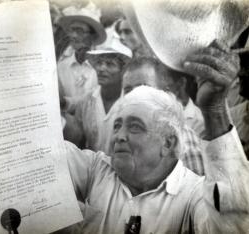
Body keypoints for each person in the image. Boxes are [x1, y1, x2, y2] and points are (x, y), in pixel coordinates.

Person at [59, 40, 249, 234]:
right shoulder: (96, 169)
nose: (119, 136)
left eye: (135, 127)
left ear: (168, 142)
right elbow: (46, 153)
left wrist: (214, 110)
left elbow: (233, 225)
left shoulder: (193, 196)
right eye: (117, 125)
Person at [65, 33, 132, 151]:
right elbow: (79, 139)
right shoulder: (87, 101)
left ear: (123, 71)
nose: (101, 68)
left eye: (110, 64)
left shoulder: (130, 101)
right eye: (99, 63)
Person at [57, 3, 106, 103]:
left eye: (80, 31)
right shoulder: (62, 66)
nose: (73, 35)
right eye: (71, 30)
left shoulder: (103, 67)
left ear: (93, 36)